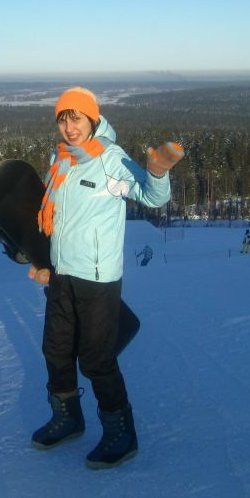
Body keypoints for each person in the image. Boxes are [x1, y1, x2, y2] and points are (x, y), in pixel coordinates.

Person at [31, 86, 184, 469]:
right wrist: (43, 258)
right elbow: (56, 214)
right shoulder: (60, 158)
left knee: (97, 358)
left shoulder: (111, 160)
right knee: (56, 350)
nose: (69, 127)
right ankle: (68, 418)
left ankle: (121, 433)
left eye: (76, 118)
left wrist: (157, 173)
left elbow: (151, 197)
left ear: (93, 120)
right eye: (63, 119)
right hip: (61, 273)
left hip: (97, 278)